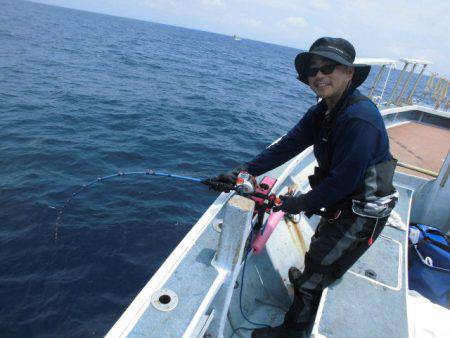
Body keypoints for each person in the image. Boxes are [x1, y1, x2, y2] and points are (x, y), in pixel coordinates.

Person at [205, 37, 398, 337]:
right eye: (313, 70)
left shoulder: (360, 118)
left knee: (318, 269)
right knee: (319, 252)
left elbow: (344, 181)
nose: (319, 75)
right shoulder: (323, 112)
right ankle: (313, 275)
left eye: (328, 67)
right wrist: (241, 172)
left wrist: (299, 204)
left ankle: (292, 331)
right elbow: (287, 146)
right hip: (341, 203)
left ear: (349, 72)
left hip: (362, 213)